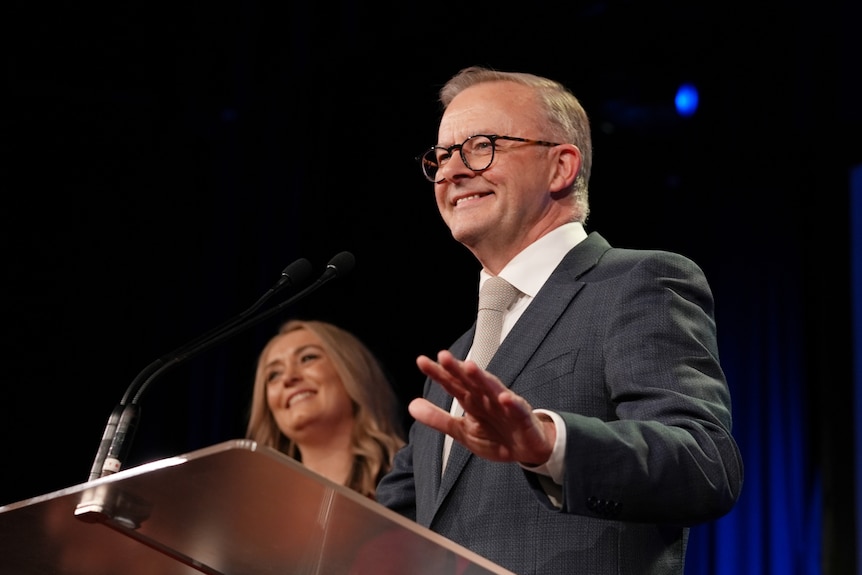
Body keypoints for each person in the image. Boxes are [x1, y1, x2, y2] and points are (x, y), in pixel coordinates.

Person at [375, 66, 744, 575]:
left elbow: (704, 465)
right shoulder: (455, 363)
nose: (450, 172)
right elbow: (381, 533)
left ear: (560, 167)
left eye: (480, 146)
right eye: (439, 157)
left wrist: (550, 444)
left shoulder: (637, 283)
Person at [246, 319, 405, 499]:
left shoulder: (407, 483)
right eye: (274, 374)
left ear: (353, 371)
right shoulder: (260, 507)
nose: (288, 378)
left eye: (307, 358)